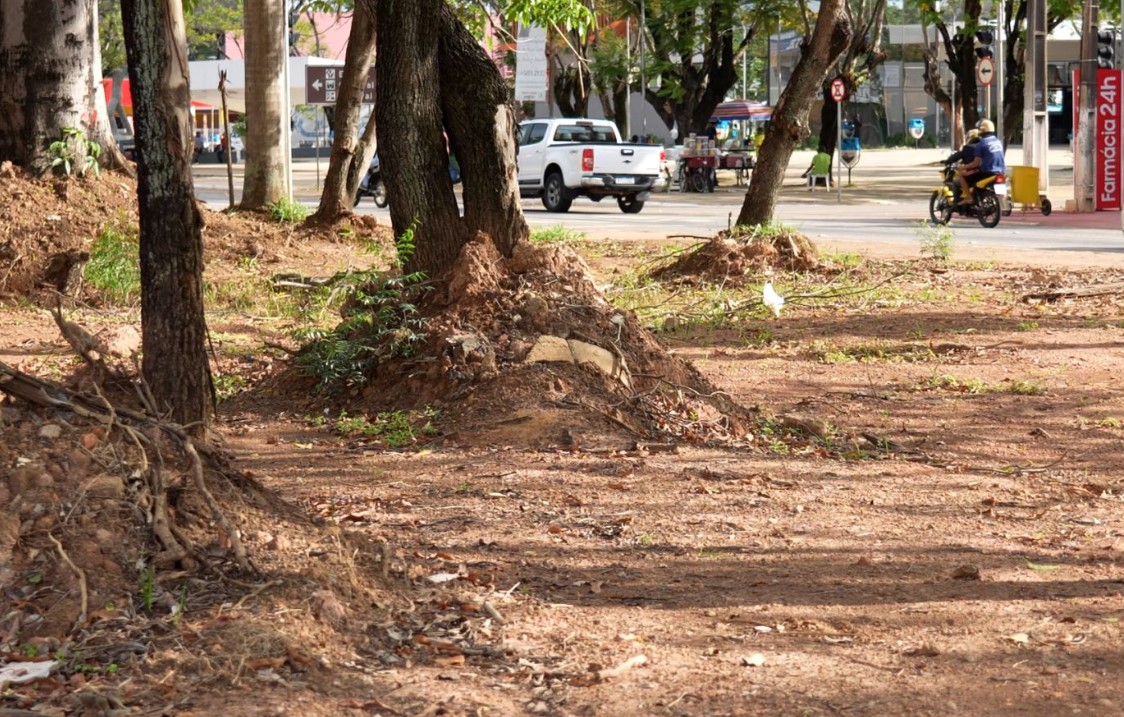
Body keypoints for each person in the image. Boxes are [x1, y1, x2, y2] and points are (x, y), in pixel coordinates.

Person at [957, 119, 1005, 205]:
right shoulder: (998, 142)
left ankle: (969, 197)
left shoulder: (982, 144)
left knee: (962, 175)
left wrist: (963, 167)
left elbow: (975, 163)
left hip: (986, 173)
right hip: (1000, 171)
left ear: (981, 130)